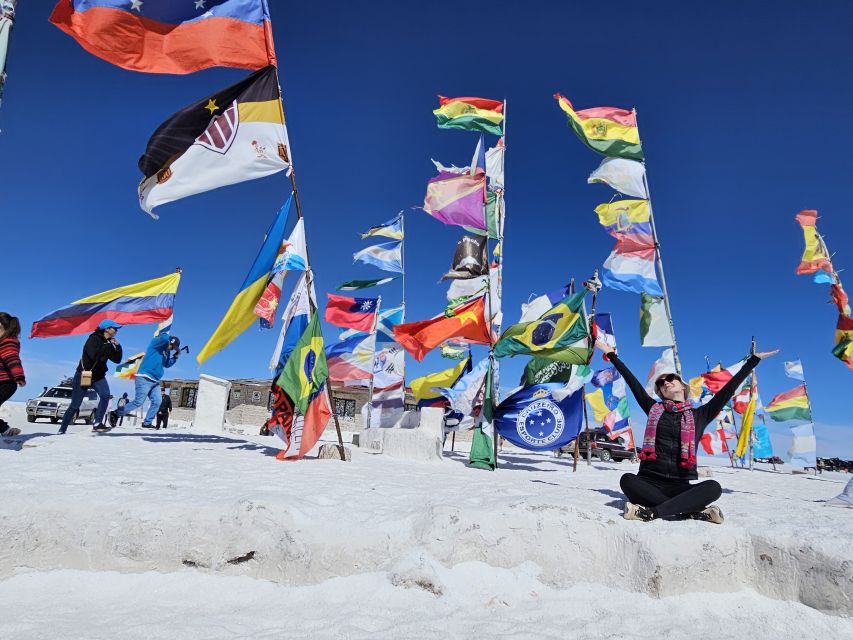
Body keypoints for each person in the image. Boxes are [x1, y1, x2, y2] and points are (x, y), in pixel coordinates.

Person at [596, 340, 778, 524]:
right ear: (660, 392)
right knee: (627, 480)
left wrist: (752, 361)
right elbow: (632, 382)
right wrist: (612, 355)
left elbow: (728, 390)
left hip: (679, 485)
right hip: (649, 482)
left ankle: (653, 512)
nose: (665, 383)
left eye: (670, 379)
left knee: (713, 488)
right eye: (661, 383)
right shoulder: (653, 409)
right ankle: (689, 511)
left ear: (683, 386)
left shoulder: (700, 415)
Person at [59, 320, 123, 434]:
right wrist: (107, 346)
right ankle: (62, 429)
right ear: (107, 329)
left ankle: (98, 423)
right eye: (115, 328)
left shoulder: (108, 343)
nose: (117, 330)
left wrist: (117, 346)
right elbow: (93, 356)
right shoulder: (93, 339)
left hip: (98, 376)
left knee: (105, 395)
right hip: (84, 375)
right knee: (75, 405)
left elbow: (117, 360)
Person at [109, 334, 180, 429]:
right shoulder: (156, 344)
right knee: (139, 401)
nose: (172, 349)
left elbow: (166, 364)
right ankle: (115, 413)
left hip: (155, 381)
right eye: (172, 347)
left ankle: (147, 423)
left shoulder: (167, 353)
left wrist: (175, 357)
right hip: (144, 377)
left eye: (174, 349)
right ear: (169, 342)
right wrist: (168, 333)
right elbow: (163, 337)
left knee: (157, 402)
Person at [0, 313, 26, 437]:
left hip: (5, 384)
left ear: (6, 329)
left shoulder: (8, 342)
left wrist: (19, 376)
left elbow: (12, 359)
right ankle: (5, 430)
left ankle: (5, 430)